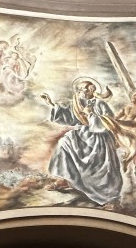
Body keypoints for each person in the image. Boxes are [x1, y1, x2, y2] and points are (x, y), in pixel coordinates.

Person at [41, 78, 123, 206]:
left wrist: (91, 115)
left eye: (83, 89)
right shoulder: (77, 103)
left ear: (91, 89)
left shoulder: (100, 104)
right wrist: (51, 104)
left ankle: (109, 197)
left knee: (103, 165)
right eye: (78, 89)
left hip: (98, 137)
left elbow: (108, 122)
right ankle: (65, 179)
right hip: (81, 134)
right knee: (64, 142)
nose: (80, 91)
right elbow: (69, 117)